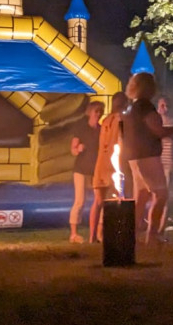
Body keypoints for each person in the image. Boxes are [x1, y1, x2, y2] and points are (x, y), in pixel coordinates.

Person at [123, 73, 173, 245]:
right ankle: (152, 234)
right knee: (161, 194)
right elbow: (158, 130)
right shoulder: (145, 107)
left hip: (134, 157)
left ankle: (131, 236)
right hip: (148, 156)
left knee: (141, 196)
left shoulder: (132, 108)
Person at [91, 93, 130, 243]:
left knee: (98, 202)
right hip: (114, 165)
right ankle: (106, 234)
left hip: (101, 163)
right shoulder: (121, 120)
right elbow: (121, 141)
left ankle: (93, 236)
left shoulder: (105, 120)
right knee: (113, 201)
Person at [68, 101, 104, 243]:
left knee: (100, 200)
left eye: (100, 111)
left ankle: (99, 232)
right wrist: (78, 149)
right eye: (96, 111)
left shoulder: (101, 130)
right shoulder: (82, 129)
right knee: (80, 201)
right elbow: (73, 149)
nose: (98, 114)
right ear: (90, 112)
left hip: (96, 170)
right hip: (81, 170)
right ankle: (73, 234)